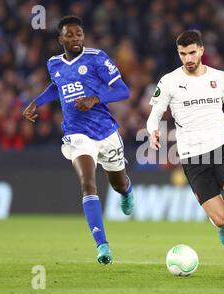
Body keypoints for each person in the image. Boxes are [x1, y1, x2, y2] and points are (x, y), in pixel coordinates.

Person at [147, 29, 224, 278]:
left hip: (222, 149)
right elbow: (154, 117)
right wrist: (153, 132)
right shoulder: (169, 81)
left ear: (202, 50)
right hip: (192, 158)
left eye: (192, 52)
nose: (188, 58)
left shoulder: (220, 78)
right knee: (219, 218)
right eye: (183, 54)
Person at [22, 16, 134, 264]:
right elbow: (57, 87)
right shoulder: (53, 63)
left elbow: (123, 90)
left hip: (106, 133)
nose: (75, 39)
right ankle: (102, 246)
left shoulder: (97, 58)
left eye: (79, 34)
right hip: (76, 134)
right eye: (70, 35)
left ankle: (126, 191)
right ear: (60, 39)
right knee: (88, 184)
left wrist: (94, 99)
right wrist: (36, 101)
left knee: (118, 183)